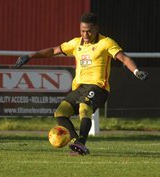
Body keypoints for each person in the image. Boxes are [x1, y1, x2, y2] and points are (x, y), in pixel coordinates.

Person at [15, 12, 148, 155]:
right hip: (79, 87)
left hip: (98, 87)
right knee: (60, 112)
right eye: (82, 30)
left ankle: (81, 143)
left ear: (96, 28)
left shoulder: (106, 43)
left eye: (89, 31)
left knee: (84, 109)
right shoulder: (76, 43)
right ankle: (76, 143)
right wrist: (30, 55)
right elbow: (54, 50)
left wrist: (136, 71)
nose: (85, 34)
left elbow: (124, 58)